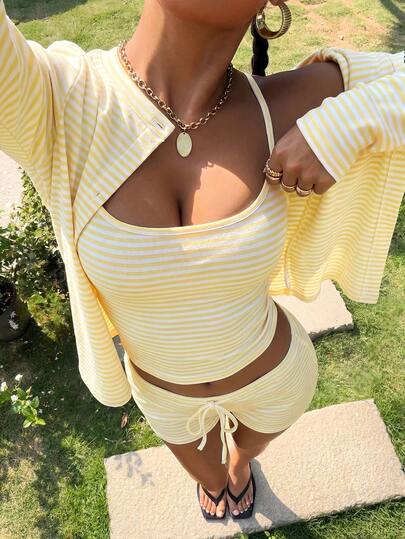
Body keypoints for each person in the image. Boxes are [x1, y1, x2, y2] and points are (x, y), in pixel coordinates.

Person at [1, 0, 404, 522]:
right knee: (205, 474)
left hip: (278, 379)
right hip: (164, 400)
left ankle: (240, 468)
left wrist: (350, 122)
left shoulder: (291, 103)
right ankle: (219, 480)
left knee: (239, 463)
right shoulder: (53, 101)